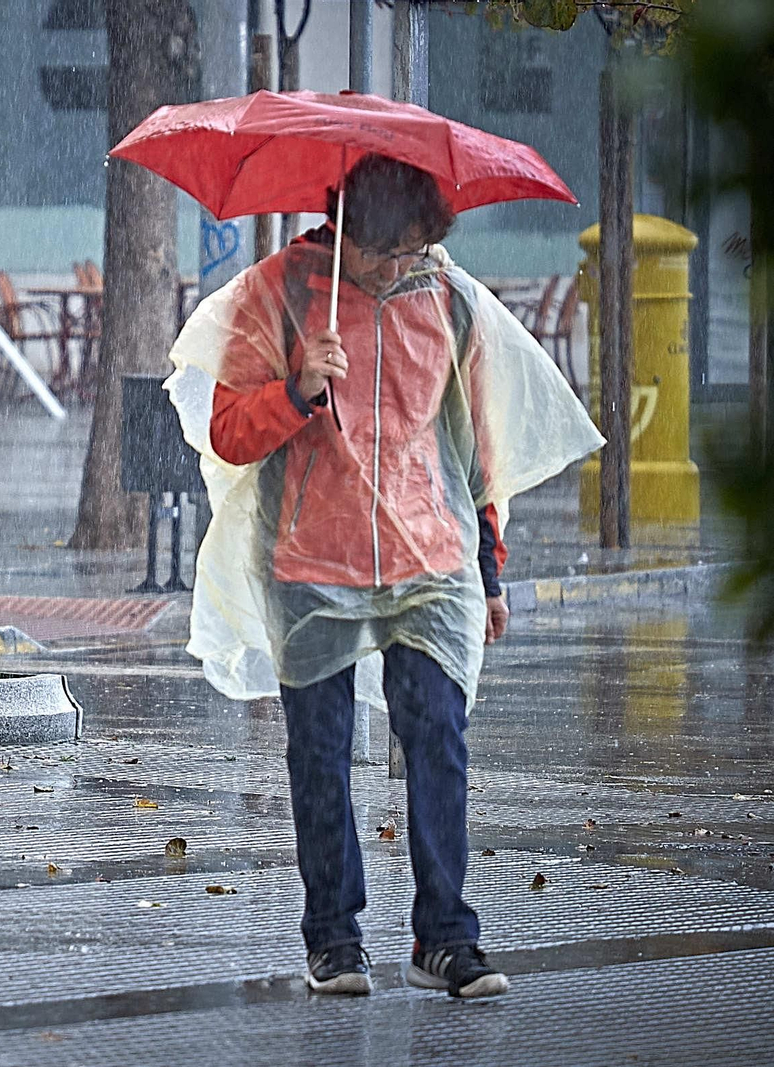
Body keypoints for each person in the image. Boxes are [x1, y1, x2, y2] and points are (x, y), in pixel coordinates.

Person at [166, 154, 602, 999]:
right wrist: (295, 391)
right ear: (348, 232)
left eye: (418, 249)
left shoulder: (448, 301)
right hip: (310, 559)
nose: (405, 266)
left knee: (437, 734)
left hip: (429, 560)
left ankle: (446, 935)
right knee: (321, 753)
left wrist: (490, 567)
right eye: (390, 252)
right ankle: (333, 934)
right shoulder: (280, 294)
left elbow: (475, 448)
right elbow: (226, 432)